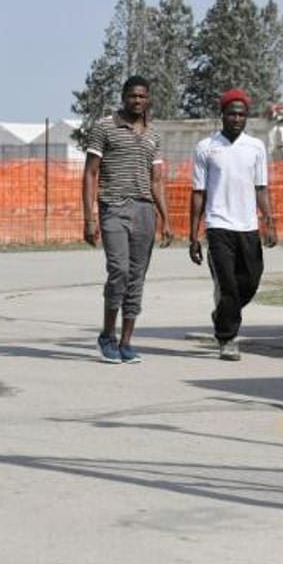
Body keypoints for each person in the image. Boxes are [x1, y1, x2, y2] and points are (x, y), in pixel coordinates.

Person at [82, 75, 172, 364]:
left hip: (144, 211)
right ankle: (107, 335)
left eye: (143, 96)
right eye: (133, 96)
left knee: (137, 277)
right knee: (119, 270)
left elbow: (156, 180)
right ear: (123, 96)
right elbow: (90, 174)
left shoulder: (152, 135)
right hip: (113, 208)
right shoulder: (104, 127)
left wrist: (166, 218)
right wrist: (89, 218)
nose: (138, 101)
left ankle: (126, 342)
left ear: (148, 99)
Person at [188, 88, 278, 361]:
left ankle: (223, 312)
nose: (236, 118)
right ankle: (227, 339)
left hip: (248, 226)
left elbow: (261, 188)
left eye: (241, 114)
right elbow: (198, 193)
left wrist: (269, 221)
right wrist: (193, 235)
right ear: (223, 115)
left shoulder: (256, 147)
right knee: (227, 283)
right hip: (218, 227)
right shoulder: (206, 148)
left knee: (250, 281)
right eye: (232, 113)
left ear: (246, 117)